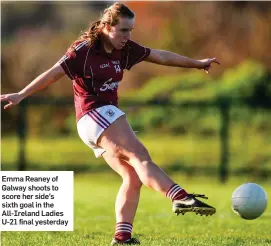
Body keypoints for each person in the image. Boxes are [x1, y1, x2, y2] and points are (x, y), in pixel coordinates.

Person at [1, 3, 220, 245]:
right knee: (140, 155)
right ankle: (179, 196)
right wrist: (21, 94)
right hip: (93, 114)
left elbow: (161, 56)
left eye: (131, 30)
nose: (128, 36)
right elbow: (54, 73)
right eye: (123, 30)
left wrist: (197, 63)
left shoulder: (124, 49)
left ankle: (122, 237)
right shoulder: (82, 50)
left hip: (101, 119)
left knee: (132, 177)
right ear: (107, 27)